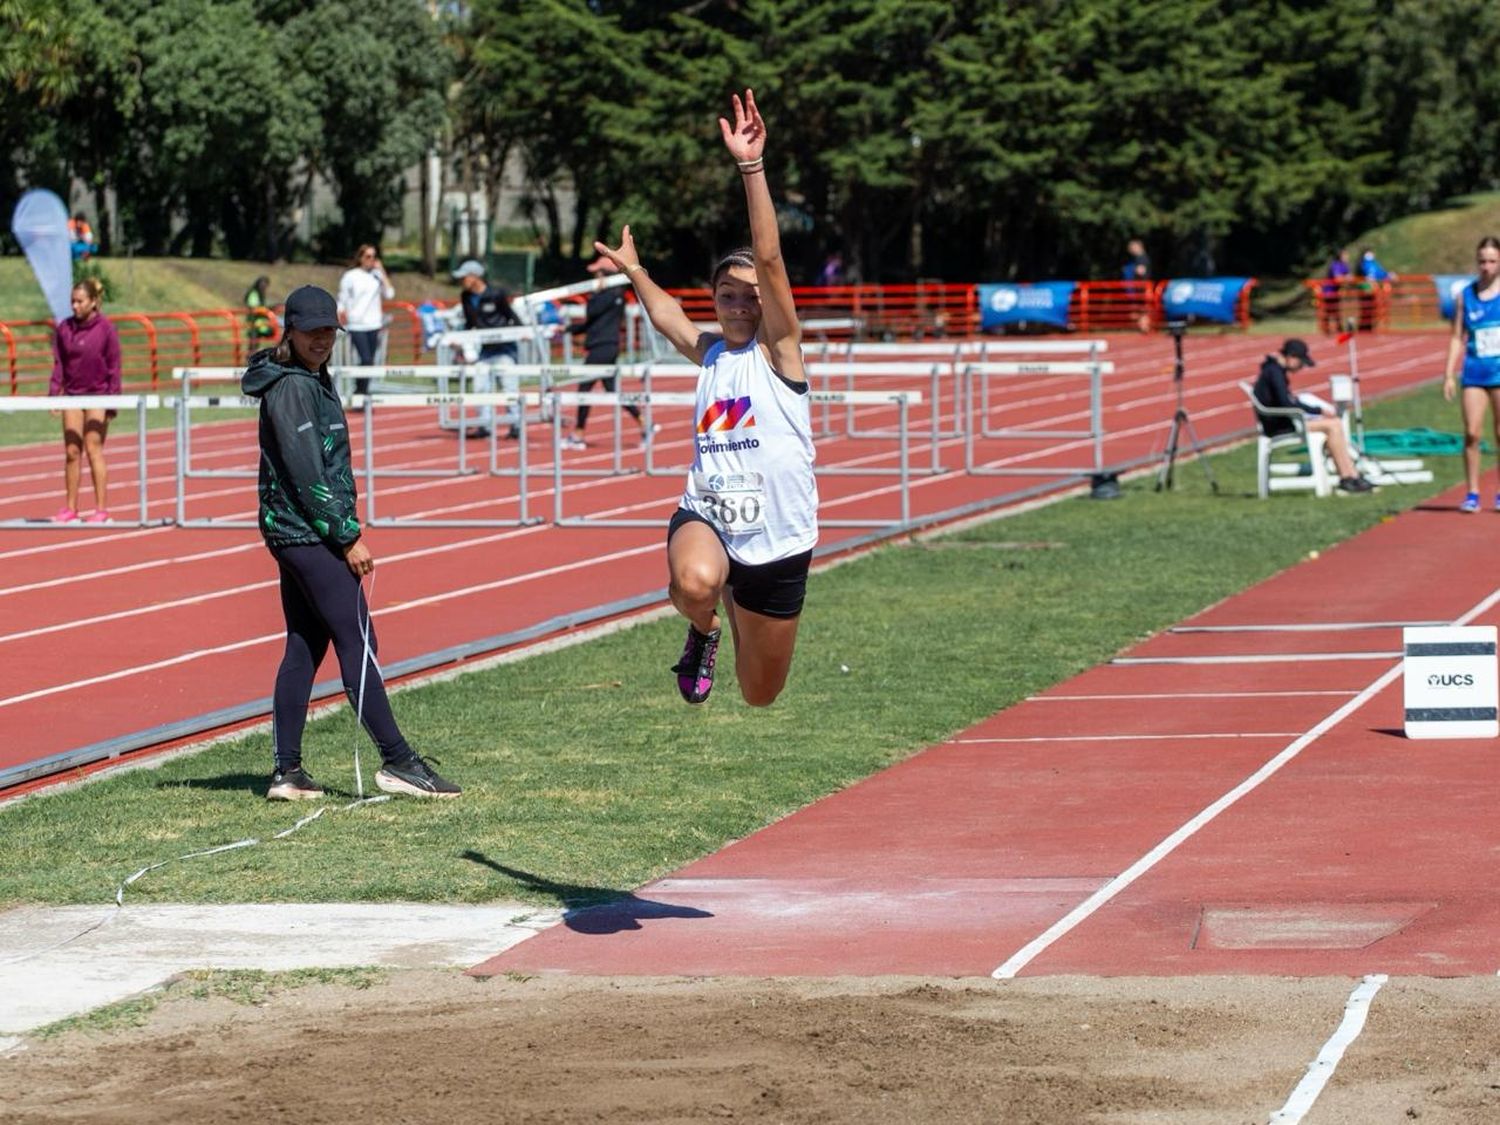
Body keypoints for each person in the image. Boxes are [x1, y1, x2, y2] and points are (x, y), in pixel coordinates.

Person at [593, 89, 816, 708]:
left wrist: (752, 167)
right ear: (714, 300)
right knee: (693, 583)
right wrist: (634, 271)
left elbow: (768, 258)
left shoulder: (782, 354)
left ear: (768, 303)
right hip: (711, 513)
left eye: (751, 295)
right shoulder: (714, 352)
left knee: (758, 693)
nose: (740, 304)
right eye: (727, 295)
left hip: (778, 538)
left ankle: (738, 615)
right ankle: (704, 627)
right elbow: (670, 320)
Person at [241, 285, 461, 801]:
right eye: (311, 331)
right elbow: (305, 472)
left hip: (298, 529)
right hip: (306, 532)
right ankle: (398, 762)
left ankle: (286, 772)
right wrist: (347, 536)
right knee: (358, 640)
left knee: (304, 644)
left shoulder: (310, 377)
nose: (321, 340)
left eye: (328, 332)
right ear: (289, 331)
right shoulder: (292, 387)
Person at [1253, 338, 1374, 494]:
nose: (1301, 367)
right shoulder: (1274, 372)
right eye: (1301, 363)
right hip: (1280, 425)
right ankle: (1347, 476)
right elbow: (1286, 403)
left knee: (1333, 425)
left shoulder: (1274, 370)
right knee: (1334, 425)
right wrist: (1317, 410)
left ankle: (1350, 475)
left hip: (1282, 420)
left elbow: (1287, 401)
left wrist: (1312, 411)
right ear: (1291, 357)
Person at [561, 255, 656, 450]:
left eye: (597, 274)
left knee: (584, 389)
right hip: (605, 346)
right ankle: (645, 424)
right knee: (613, 390)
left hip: (602, 347)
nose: (594, 278)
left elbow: (592, 312)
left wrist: (595, 293)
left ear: (605, 276)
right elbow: (591, 323)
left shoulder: (608, 296)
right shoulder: (613, 297)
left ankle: (578, 434)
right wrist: (568, 330)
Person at [49, 277, 121, 523]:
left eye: (80, 301)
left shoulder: (106, 329)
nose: (75, 306)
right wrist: (54, 395)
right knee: (71, 451)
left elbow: (114, 366)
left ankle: (101, 509)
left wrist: (113, 401)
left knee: (93, 448)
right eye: (72, 301)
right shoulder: (64, 329)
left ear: (93, 302)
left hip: (98, 395)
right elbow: (59, 364)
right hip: (72, 396)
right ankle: (71, 508)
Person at [1442, 237, 1500, 512]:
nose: (1486, 267)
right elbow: (1456, 337)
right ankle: (1473, 493)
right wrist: (1448, 374)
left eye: (1492, 261)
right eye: (1482, 261)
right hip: (1474, 372)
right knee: (1472, 433)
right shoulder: (1465, 295)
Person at [452, 258, 523, 438]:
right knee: (480, 386)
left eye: (464, 277)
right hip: (485, 350)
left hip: (505, 349)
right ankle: (484, 425)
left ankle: (515, 424)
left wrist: (521, 332)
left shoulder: (497, 294)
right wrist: (460, 340)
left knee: (509, 386)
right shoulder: (466, 297)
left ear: (475, 277)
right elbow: (469, 323)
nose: (462, 281)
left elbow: (511, 316)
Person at [337, 244, 394, 396]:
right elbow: (342, 298)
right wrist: (340, 313)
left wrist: (382, 271)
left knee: (370, 361)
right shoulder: (351, 276)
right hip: (356, 324)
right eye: (368, 256)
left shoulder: (377, 275)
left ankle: (362, 390)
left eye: (374, 256)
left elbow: (390, 294)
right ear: (360, 258)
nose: (371, 260)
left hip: (374, 323)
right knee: (366, 358)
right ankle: (360, 390)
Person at [1356, 246, 1394, 332]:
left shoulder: (1373, 263)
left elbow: (1380, 272)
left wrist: (1388, 275)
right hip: (1366, 289)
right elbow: (1371, 274)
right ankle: (1364, 327)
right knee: (1366, 309)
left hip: (1373, 289)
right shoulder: (1363, 263)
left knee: (1372, 309)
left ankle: (1368, 327)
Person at [1122, 237, 1151, 332]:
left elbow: (1141, 271)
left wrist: (1130, 270)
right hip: (1139, 288)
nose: (1130, 250)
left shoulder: (1141, 258)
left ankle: (1144, 327)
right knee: (1140, 310)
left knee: (1141, 309)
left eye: (1132, 247)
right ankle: (1143, 327)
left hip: (1141, 288)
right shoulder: (1139, 258)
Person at [1321, 249, 1351, 334]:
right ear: (1340, 256)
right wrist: (1346, 278)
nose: (1347, 257)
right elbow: (1337, 277)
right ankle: (1327, 328)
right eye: (1345, 255)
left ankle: (1339, 328)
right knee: (1329, 310)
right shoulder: (1335, 265)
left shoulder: (1345, 265)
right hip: (1329, 291)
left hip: (1336, 292)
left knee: (1336, 310)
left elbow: (1348, 276)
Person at [244, 275, 275, 352]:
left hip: (260, 323)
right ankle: (250, 360)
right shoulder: (254, 293)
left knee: (255, 343)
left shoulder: (261, 294)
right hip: (254, 322)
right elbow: (254, 307)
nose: (264, 287)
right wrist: (266, 309)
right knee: (253, 344)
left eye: (266, 285)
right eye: (263, 284)